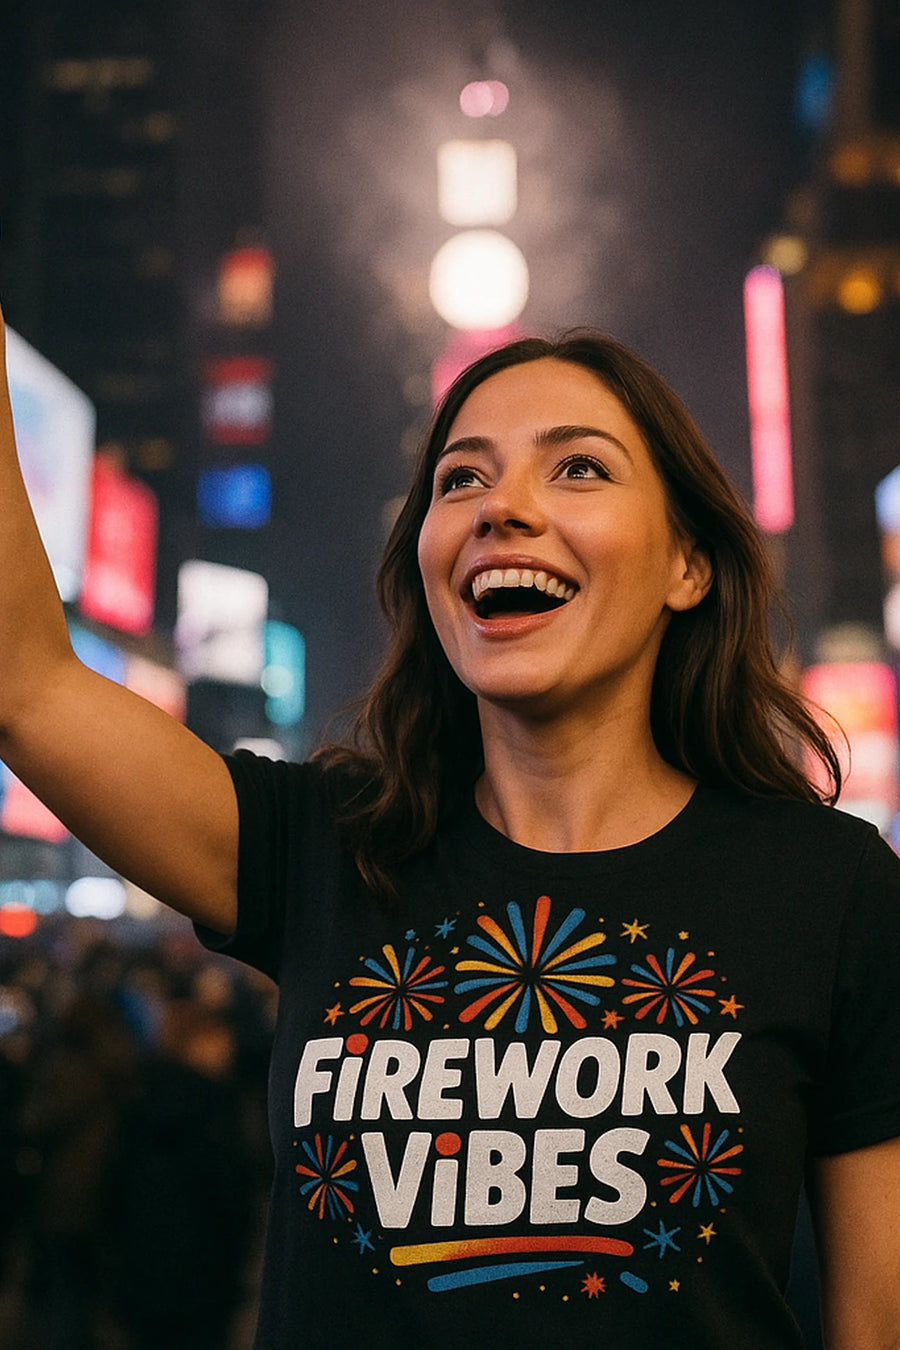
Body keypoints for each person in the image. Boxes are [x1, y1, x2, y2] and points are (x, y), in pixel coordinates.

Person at [1, 306, 899, 1349]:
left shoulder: (831, 888)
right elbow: (29, 687)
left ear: (686, 566)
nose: (500, 507)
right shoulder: (323, 849)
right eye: (461, 478)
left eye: (578, 469)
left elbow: (877, 1320)